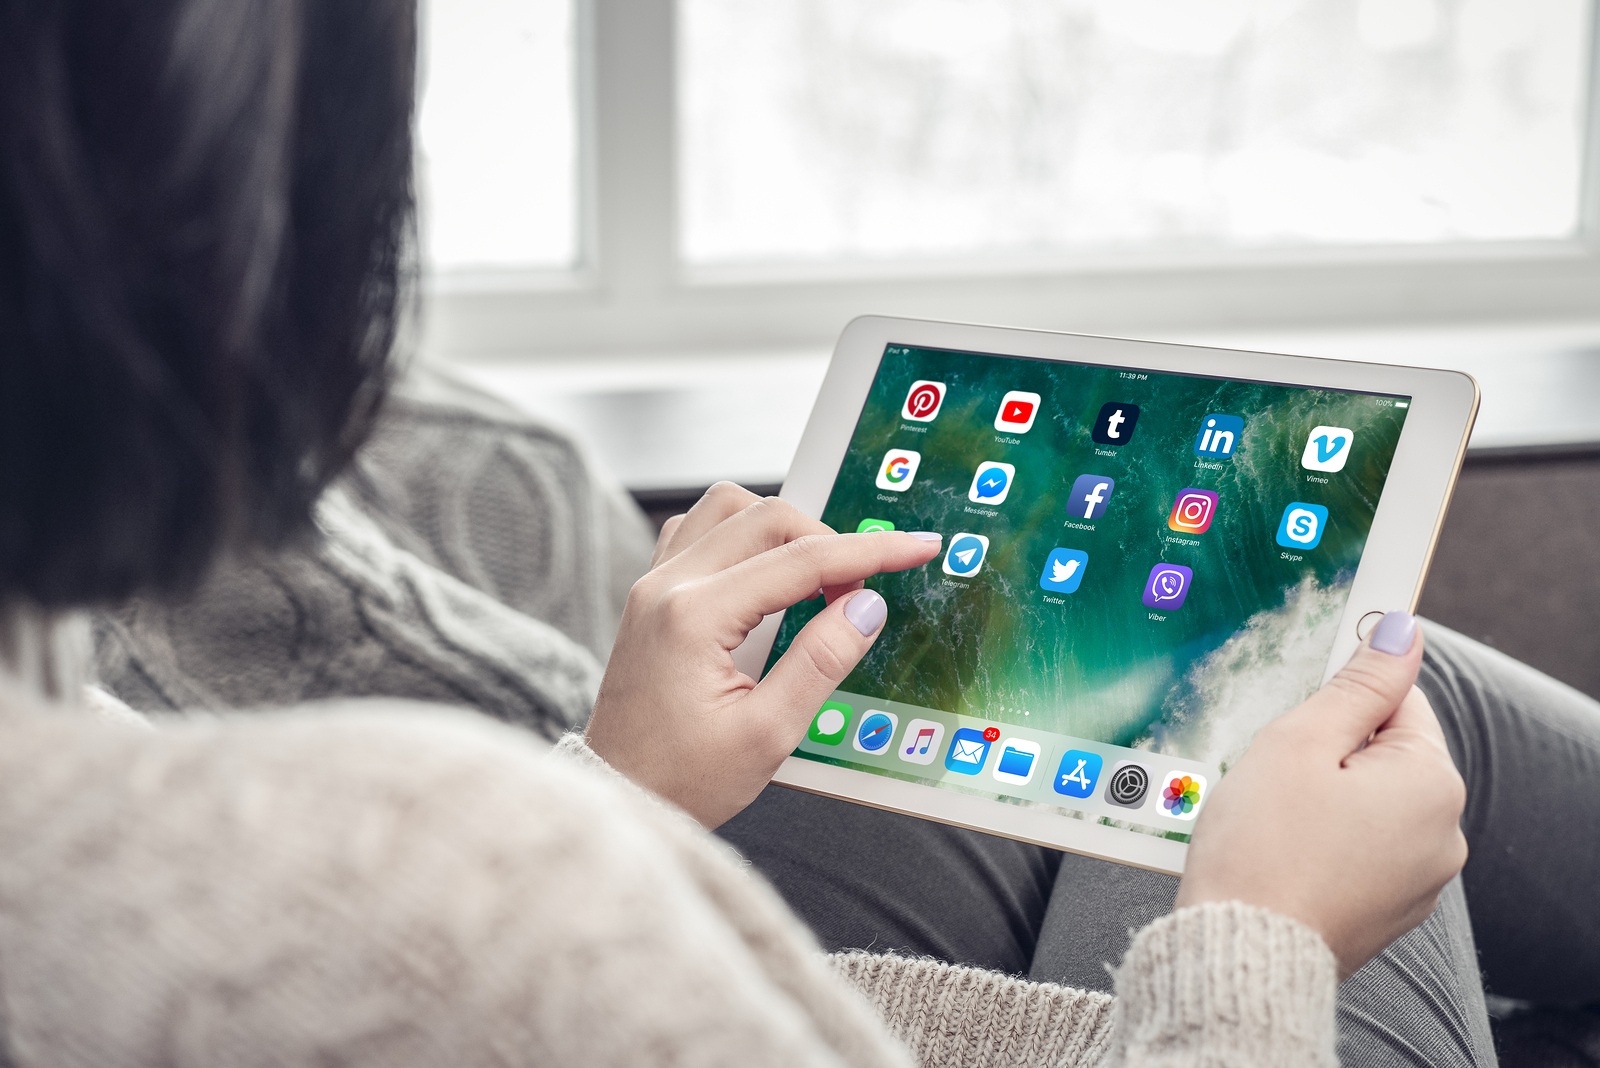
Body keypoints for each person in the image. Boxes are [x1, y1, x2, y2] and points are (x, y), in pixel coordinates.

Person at [0, 2, 1595, 1066]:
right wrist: (1260, 945)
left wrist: (615, 788)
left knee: (1234, 675)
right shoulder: (421, 876)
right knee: (1346, 678)